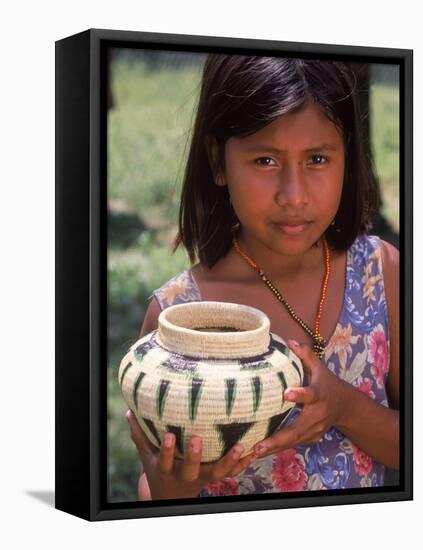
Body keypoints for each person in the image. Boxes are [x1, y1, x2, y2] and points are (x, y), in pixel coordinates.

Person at [125, 54, 400, 500]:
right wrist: (165, 488)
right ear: (218, 161)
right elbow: (158, 482)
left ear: (347, 156)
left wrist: (343, 407)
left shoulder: (380, 274)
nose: (294, 195)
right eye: (266, 161)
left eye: (317, 158)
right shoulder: (180, 315)